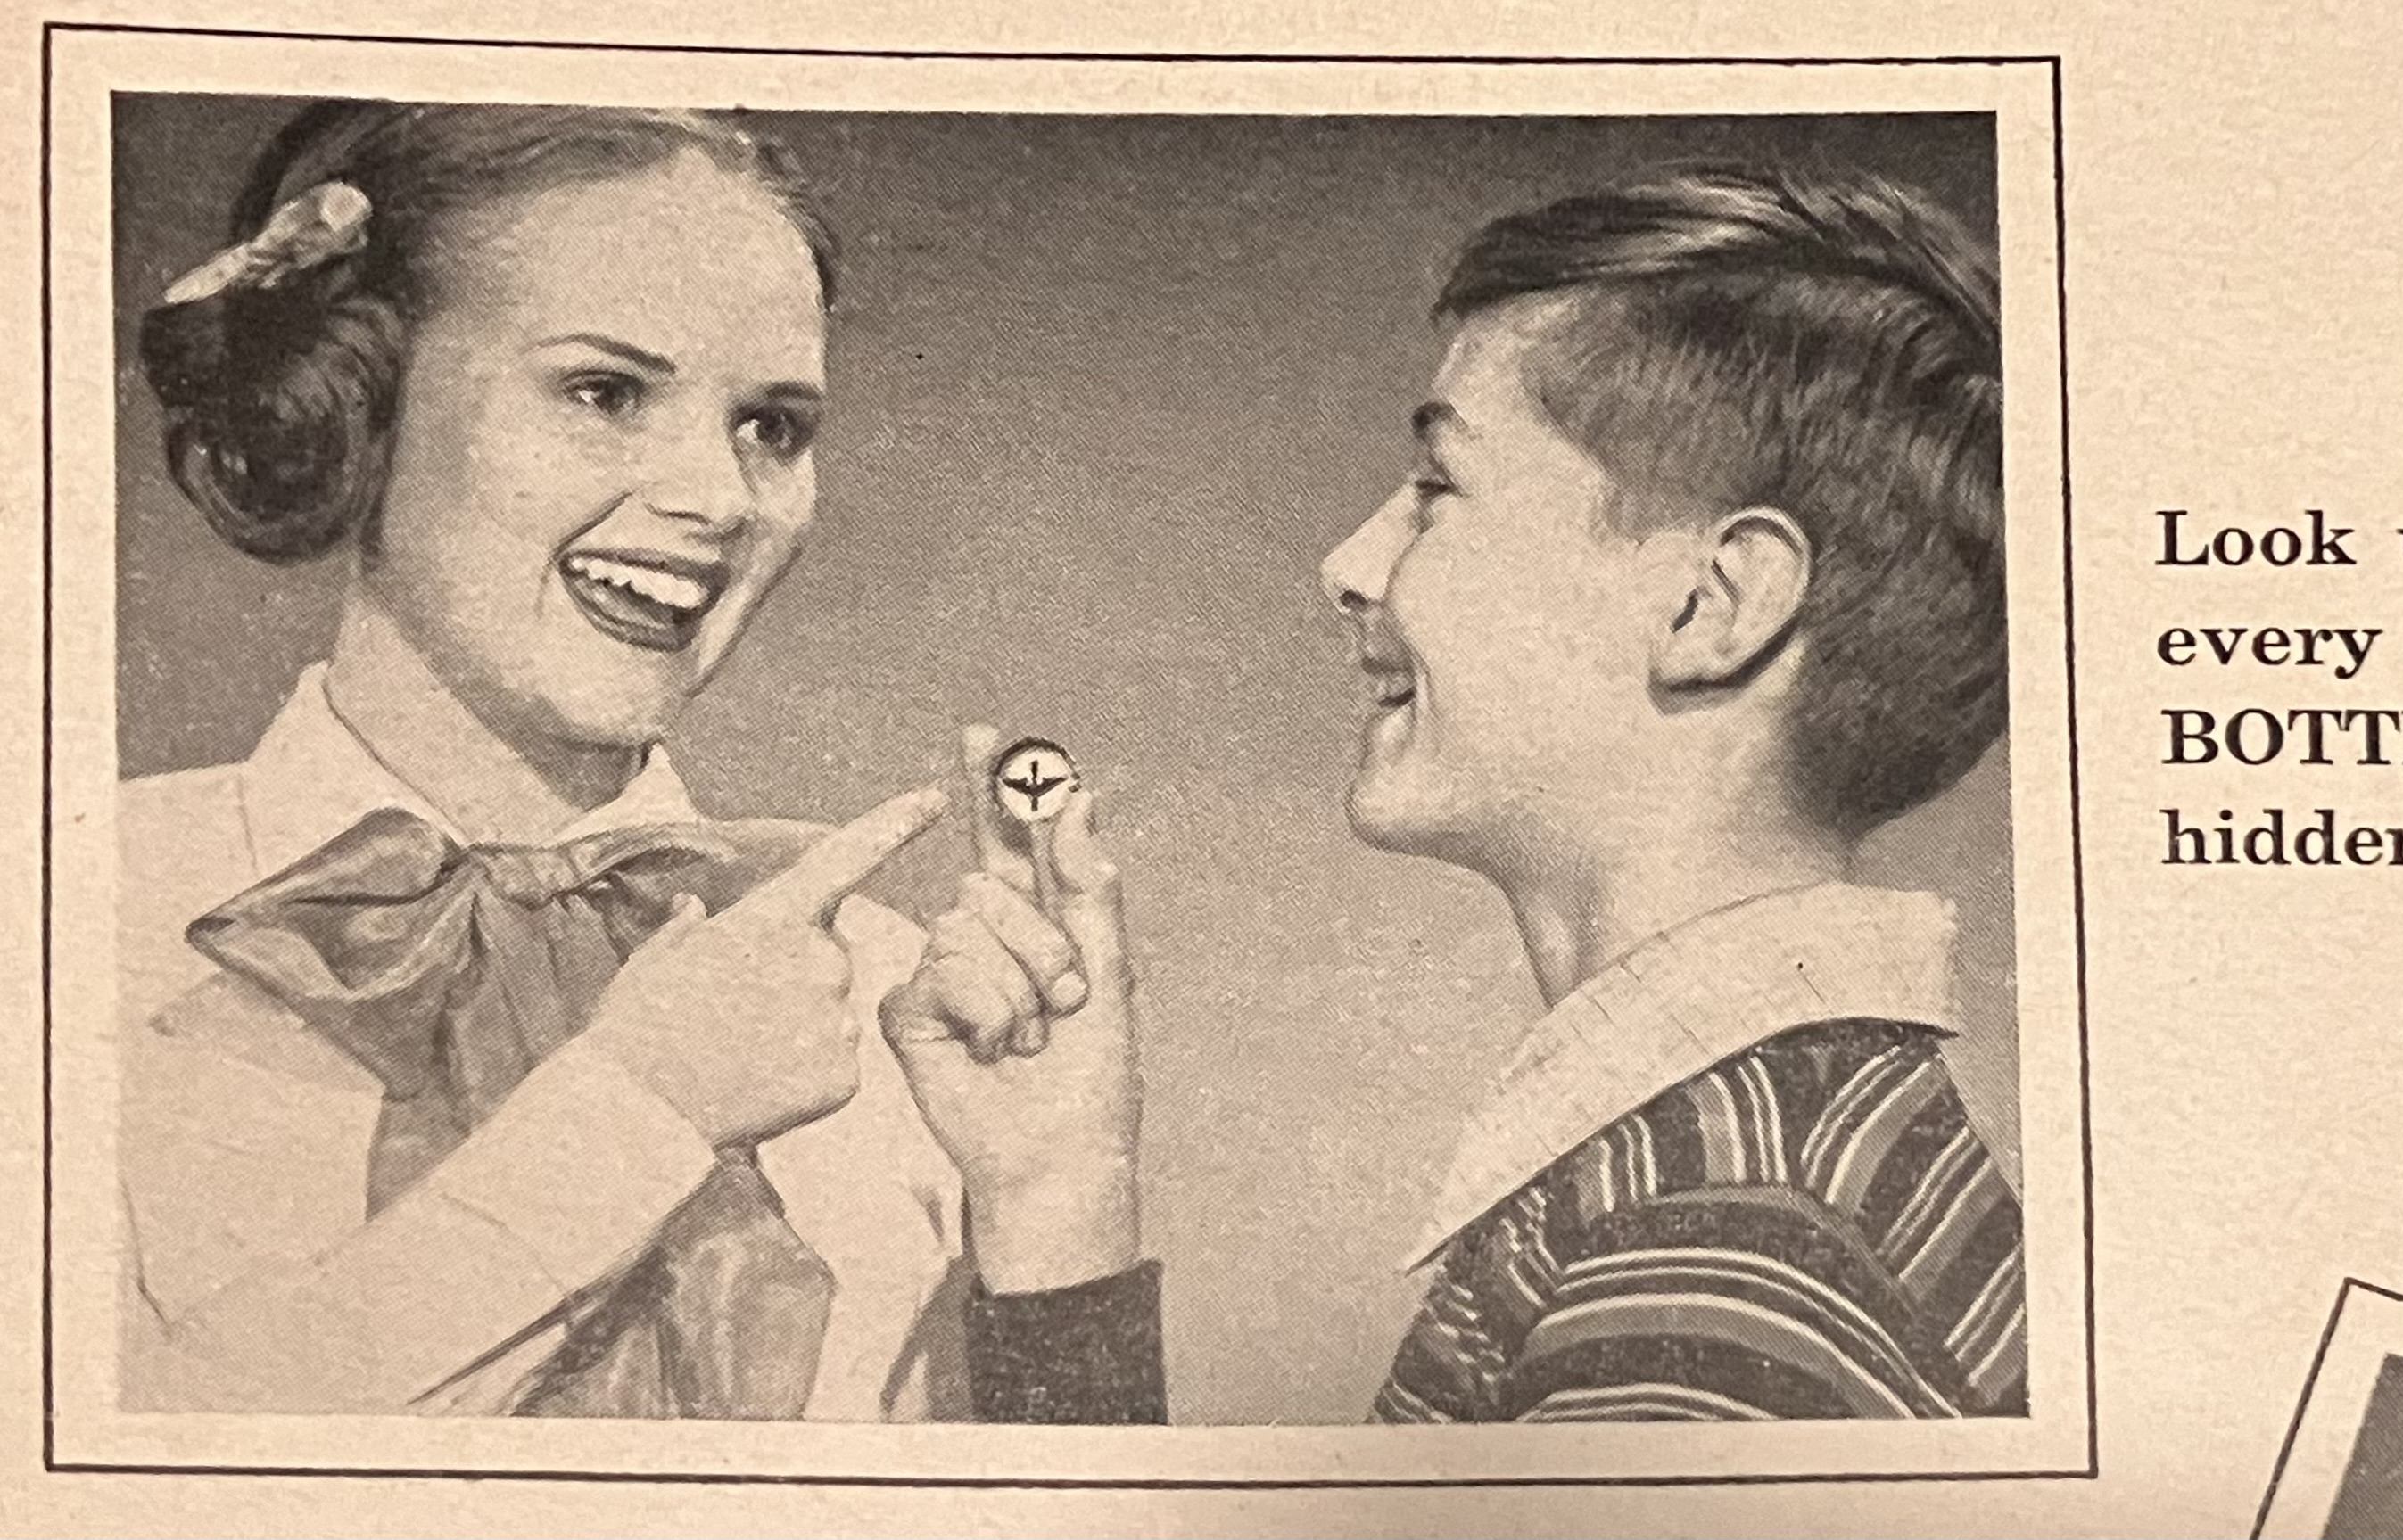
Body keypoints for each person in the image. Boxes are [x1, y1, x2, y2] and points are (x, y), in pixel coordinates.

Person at [116, 100, 1154, 1421]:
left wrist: (1062, 1214)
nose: (720, 500)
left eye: (770, 426)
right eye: (603, 392)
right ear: (360, 400)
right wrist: (636, 1111)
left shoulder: (895, 999)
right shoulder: (67, 914)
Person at [1318, 161, 2024, 1422]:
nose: (1351, 564)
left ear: (1713, 607)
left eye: (1437, 489)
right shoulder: (1792, 1158)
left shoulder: (1714, 1260)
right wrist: (1064, 1217)